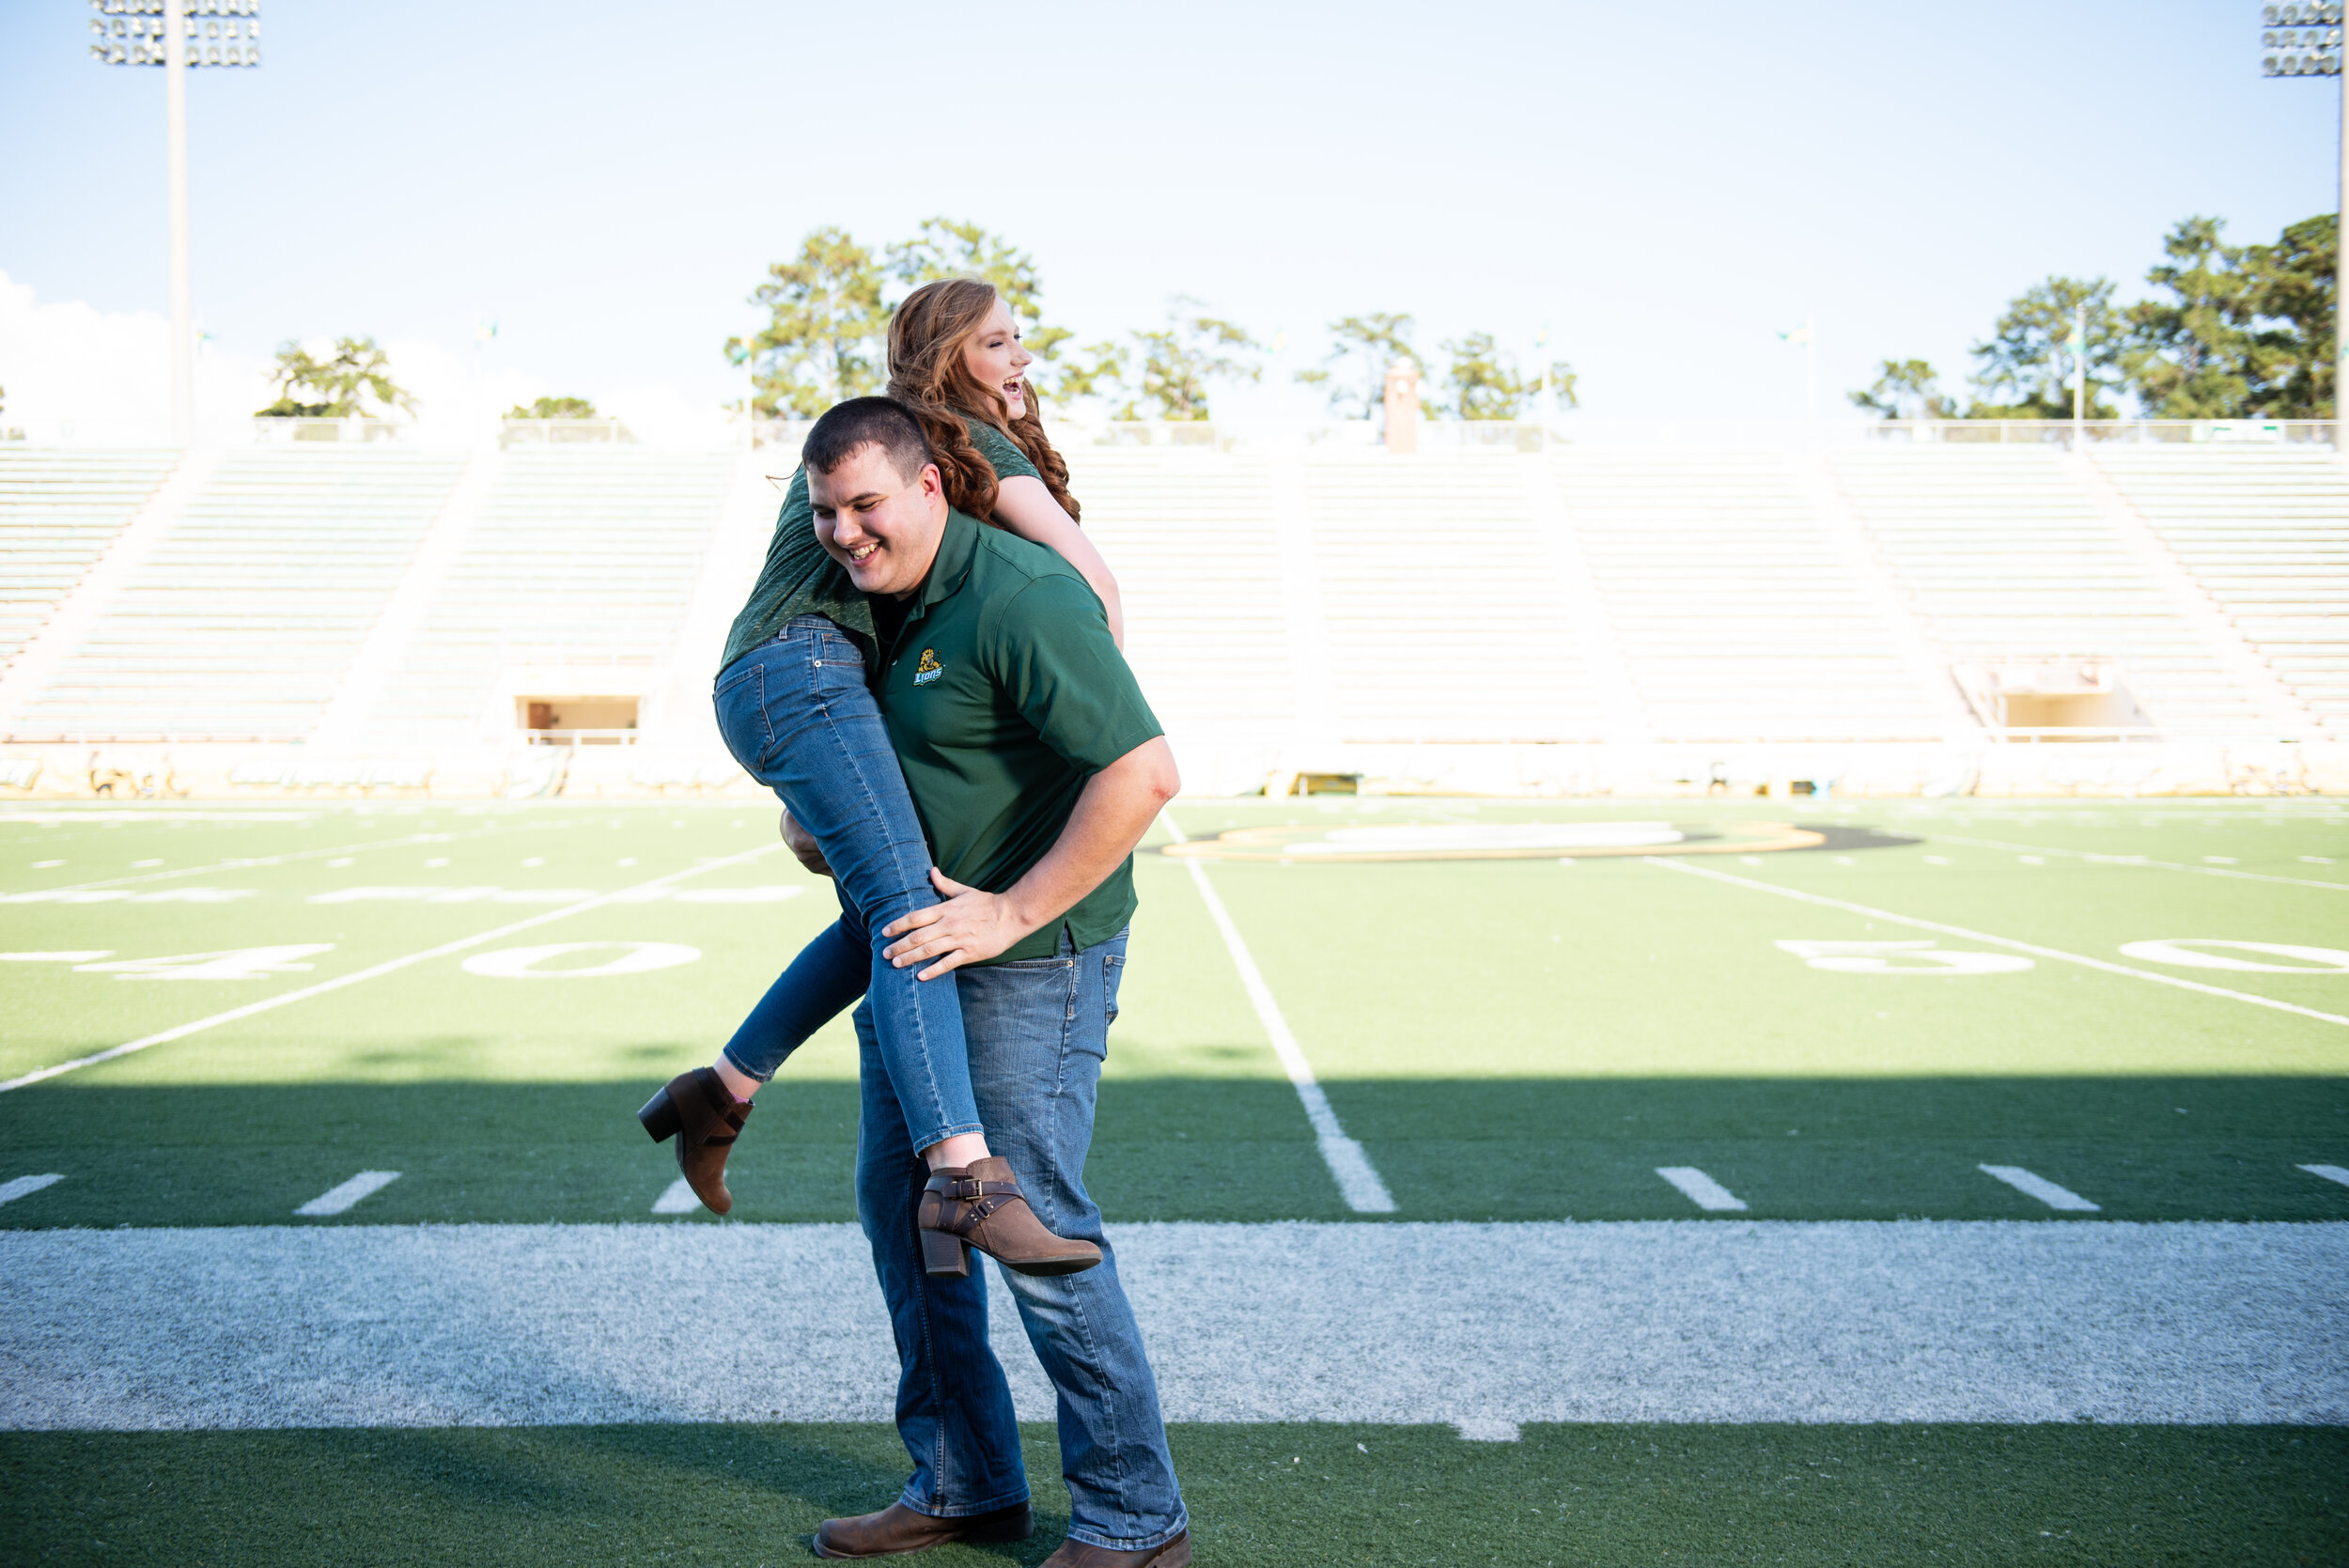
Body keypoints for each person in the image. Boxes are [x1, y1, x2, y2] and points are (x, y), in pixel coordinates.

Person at [637, 279, 1117, 1285]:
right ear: (950, 355)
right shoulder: (941, 440)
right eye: (998, 341)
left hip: (796, 679)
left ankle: (718, 1091)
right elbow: (1091, 579)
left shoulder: (901, 439)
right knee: (913, 914)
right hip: (803, 672)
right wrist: (1100, 731)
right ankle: (963, 1174)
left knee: (884, 913)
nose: (1020, 358)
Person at [784, 396, 1188, 1566]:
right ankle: (963, 1479)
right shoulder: (877, 603)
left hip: (1032, 962)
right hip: (920, 960)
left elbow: (1146, 773)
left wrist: (1009, 907)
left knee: (1032, 1230)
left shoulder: (1017, 594)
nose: (846, 533)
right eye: (823, 513)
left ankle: (1135, 1520)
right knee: (906, 1222)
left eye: (866, 505)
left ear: (928, 487)